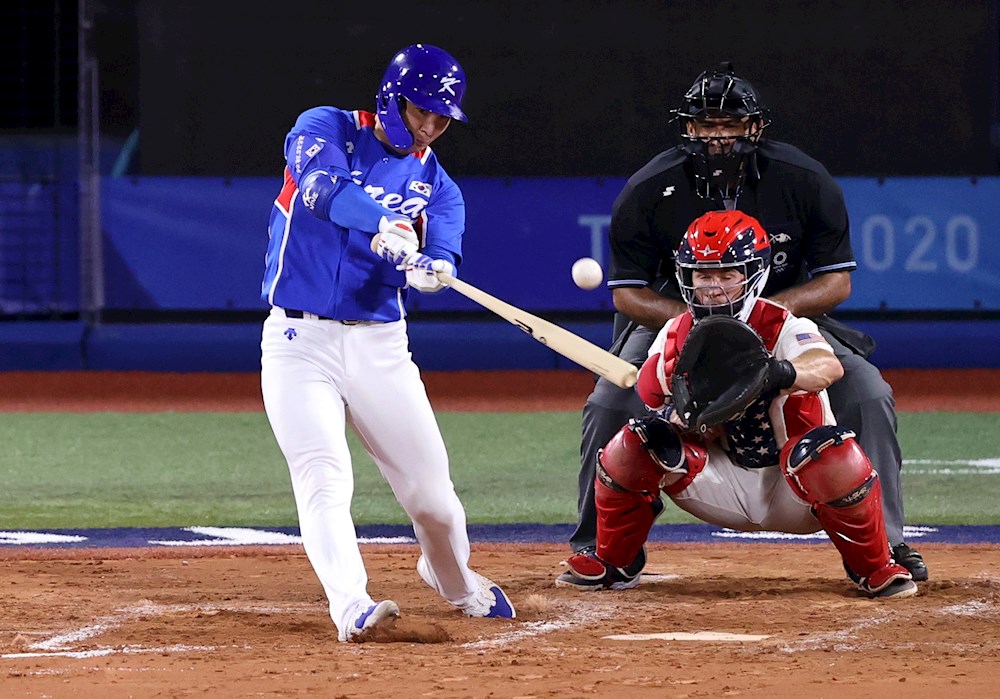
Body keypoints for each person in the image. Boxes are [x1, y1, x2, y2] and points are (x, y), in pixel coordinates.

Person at [564, 61, 927, 583]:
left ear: (755, 127)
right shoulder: (650, 188)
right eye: (706, 125)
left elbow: (836, 283)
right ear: (688, 128)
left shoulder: (802, 180)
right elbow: (628, 294)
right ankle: (598, 546)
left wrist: (760, 321)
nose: (717, 137)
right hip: (678, 316)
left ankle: (887, 544)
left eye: (729, 124)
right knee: (609, 403)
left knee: (867, 392)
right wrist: (707, 327)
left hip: (782, 314)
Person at [259, 43, 515, 643]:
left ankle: (454, 581)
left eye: (440, 118)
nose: (428, 127)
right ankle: (351, 606)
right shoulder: (326, 128)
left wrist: (433, 267)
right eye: (418, 111)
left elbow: (443, 247)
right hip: (299, 340)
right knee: (324, 474)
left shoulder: (441, 187)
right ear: (389, 99)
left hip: (381, 347)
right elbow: (321, 190)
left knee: (434, 500)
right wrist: (383, 223)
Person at [556, 210, 918, 599]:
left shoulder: (784, 324)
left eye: (727, 275)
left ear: (754, 275)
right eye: (703, 275)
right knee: (635, 440)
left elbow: (825, 366)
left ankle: (876, 567)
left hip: (797, 488)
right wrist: (678, 409)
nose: (713, 288)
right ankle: (615, 562)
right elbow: (652, 399)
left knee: (830, 450)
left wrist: (773, 373)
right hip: (718, 484)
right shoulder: (676, 335)